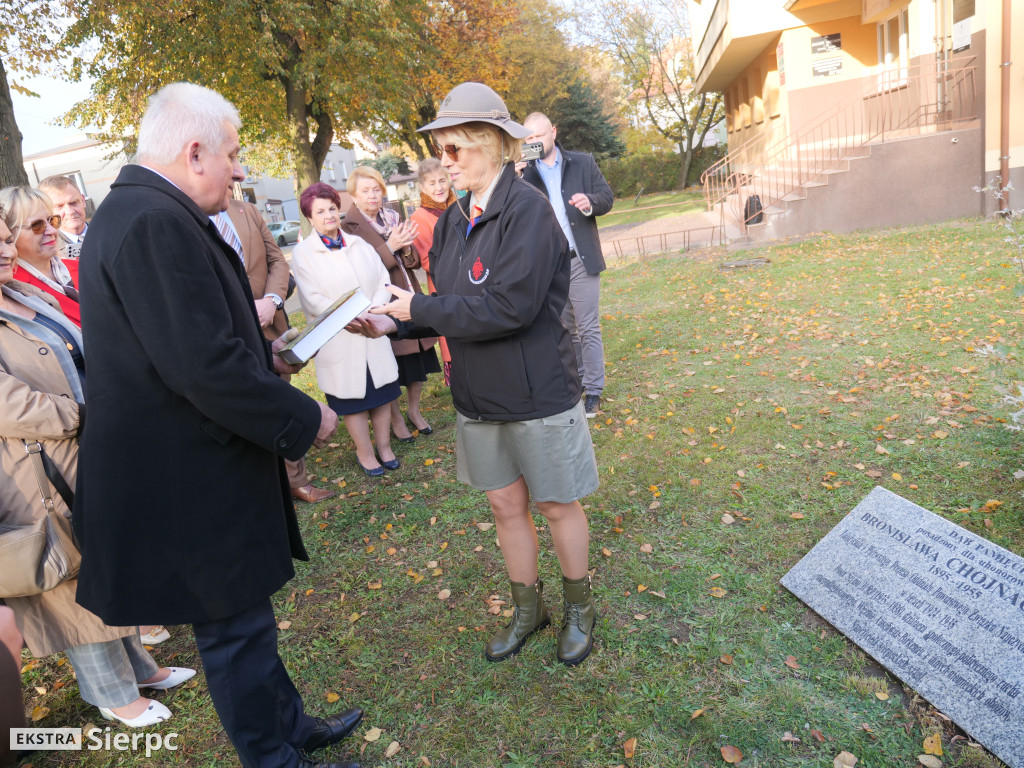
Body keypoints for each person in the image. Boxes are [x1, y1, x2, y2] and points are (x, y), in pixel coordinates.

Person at [72, 83, 361, 768]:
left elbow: (187, 340)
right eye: (232, 156)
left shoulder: (150, 211)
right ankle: (275, 756)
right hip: (187, 481)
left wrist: (267, 355)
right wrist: (303, 415)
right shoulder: (148, 221)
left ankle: (289, 726)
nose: (238, 170)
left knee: (250, 623)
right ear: (193, 149)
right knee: (234, 633)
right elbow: (201, 367)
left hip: (199, 467)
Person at [357, 82, 600, 666]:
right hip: (477, 392)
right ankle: (528, 608)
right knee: (503, 504)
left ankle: (579, 608)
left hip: (537, 391)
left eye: (456, 149)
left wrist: (415, 308)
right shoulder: (451, 221)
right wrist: (393, 327)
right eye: (442, 149)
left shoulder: (530, 213)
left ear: (493, 144)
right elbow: (454, 309)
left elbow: (508, 307)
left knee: (557, 504)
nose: (445, 162)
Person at [0, 212, 196, 728]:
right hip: (38, 473)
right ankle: (111, 693)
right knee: (74, 581)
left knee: (111, 563)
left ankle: (139, 668)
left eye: (3, 239)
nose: (5, 250)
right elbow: (11, 405)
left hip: (91, 450)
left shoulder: (25, 295)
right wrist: (90, 415)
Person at [223, 197, 336, 503]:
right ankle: (262, 486)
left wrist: (272, 300)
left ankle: (296, 480)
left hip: (268, 323)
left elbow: (276, 261)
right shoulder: (187, 216)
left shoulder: (245, 210)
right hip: (228, 331)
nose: (237, 171)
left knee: (280, 396)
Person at [292, 182, 400, 478]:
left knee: (382, 393)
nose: (328, 215)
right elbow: (313, 299)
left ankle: (385, 447)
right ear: (310, 218)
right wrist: (353, 315)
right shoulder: (304, 254)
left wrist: (374, 310)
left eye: (331, 208)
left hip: (372, 329)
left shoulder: (358, 243)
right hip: (339, 335)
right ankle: (365, 453)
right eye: (320, 211)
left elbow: (381, 280)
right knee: (354, 400)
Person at [520, 112, 614, 418]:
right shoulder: (523, 173)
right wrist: (514, 175)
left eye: (538, 135)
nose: (533, 142)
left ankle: (594, 391)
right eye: (528, 138)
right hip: (548, 264)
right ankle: (578, 383)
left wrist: (590, 202)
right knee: (565, 328)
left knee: (587, 327)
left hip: (579, 258)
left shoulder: (582, 162)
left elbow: (606, 197)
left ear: (553, 132)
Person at [342, 166, 440, 440]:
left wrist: (407, 248)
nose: (373, 196)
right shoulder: (349, 227)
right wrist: (391, 247)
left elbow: (412, 262)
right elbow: (361, 269)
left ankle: (414, 410)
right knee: (393, 363)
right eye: (366, 191)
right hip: (380, 297)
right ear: (354, 195)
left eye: (376, 189)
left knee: (418, 358)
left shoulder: (394, 216)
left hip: (407, 289)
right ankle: (396, 418)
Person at [0, 187, 80, 327]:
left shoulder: (81, 267)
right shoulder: (12, 290)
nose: (51, 230)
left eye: (52, 220)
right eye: (37, 225)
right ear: (10, 232)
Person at [409, 158, 456, 386]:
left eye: (442, 180)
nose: (439, 187)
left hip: (473, 279)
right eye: (431, 183)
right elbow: (428, 260)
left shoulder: (462, 205)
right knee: (454, 335)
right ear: (422, 187)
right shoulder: (420, 217)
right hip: (444, 284)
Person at [38, 175, 88, 260]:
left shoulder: (109, 234)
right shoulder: (46, 253)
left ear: (83, 201)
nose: (70, 212)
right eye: (59, 206)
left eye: (73, 203)